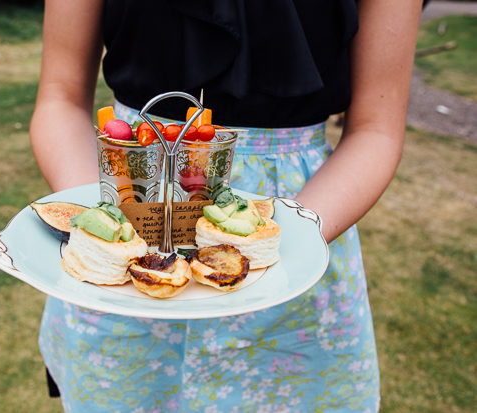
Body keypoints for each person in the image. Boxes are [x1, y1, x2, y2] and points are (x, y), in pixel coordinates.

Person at [30, 0, 422, 411]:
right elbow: (60, 96)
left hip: (302, 230)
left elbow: (376, 129)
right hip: (129, 204)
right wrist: (106, 226)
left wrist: (284, 239)